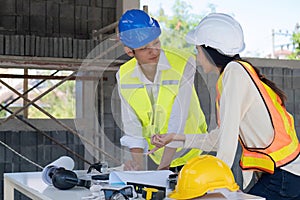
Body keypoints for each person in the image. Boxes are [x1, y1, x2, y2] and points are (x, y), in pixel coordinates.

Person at [150, 13, 300, 199]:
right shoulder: (236, 72)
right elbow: (220, 137)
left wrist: (216, 184)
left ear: (209, 50)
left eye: (197, 50)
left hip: (283, 176)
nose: (197, 57)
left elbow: (227, 143)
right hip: (285, 174)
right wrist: (175, 138)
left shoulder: (234, 73)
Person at [116, 9, 207, 171]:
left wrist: (164, 168)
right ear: (130, 51)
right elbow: (132, 125)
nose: (154, 51)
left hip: (193, 151)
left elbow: (177, 119)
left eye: (156, 42)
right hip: (157, 156)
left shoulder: (183, 63)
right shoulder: (124, 75)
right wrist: (138, 165)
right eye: (144, 48)